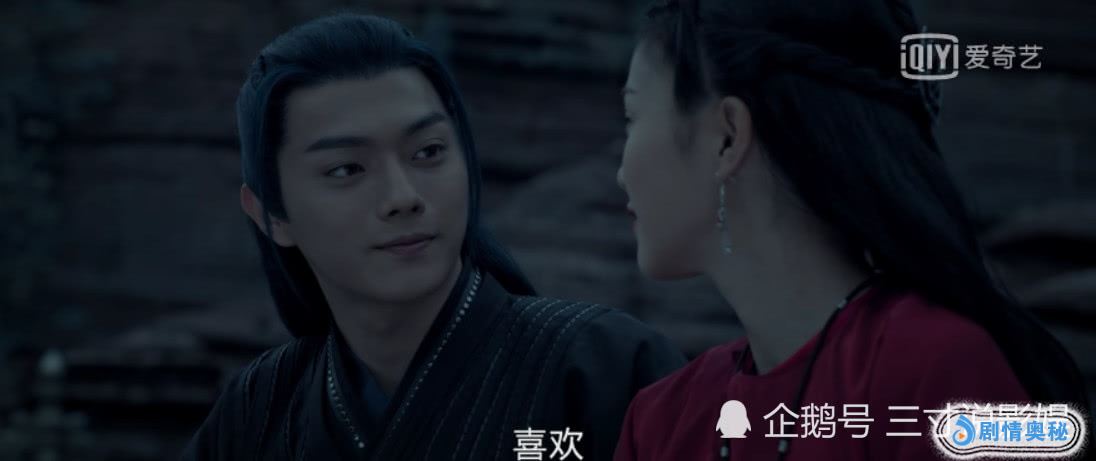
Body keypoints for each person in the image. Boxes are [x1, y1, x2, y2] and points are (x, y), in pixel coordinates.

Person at [180, 13, 685, 461]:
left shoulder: (606, 368)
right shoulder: (259, 411)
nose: (403, 197)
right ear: (271, 214)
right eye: (346, 169)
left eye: (428, 152)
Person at [612, 0, 1090, 460]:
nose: (620, 173)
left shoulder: (940, 371)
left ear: (727, 137)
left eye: (632, 119)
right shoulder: (660, 420)